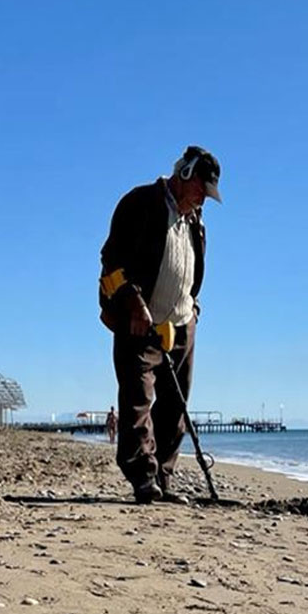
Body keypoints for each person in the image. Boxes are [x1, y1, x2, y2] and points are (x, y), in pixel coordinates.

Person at [98, 146, 222, 503]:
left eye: (207, 194)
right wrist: (133, 303)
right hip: (139, 320)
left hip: (182, 323)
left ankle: (163, 477)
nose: (203, 198)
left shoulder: (196, 221)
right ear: (184, 174)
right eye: (200, 188)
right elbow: (111, 259)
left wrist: (192, 310)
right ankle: (143, 479)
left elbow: (192, 273)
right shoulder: (139, 203)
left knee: (175, 407)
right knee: (137, 400)